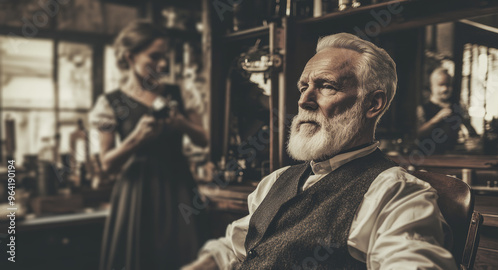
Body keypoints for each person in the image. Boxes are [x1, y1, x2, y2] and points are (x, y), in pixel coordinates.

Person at [182, 33, 457, 269]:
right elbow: (233, 249)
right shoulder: (275, 182)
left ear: (373, 104)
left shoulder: (395, 193)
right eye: (303, 87)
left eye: (326, 86)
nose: (304, 100)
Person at [89, 21, 208, 270]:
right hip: (136, 194)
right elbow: (107, 164)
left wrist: (181, 124)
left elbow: (204, 139)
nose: (163, 64)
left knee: (183, 258)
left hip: (179, 188)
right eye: (154, 56)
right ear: (130, 57)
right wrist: (136, 139)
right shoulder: (111, 103)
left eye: (164, 56)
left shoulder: (180, 93)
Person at [417, 67, 476, 154]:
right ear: (431, 86)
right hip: (428, 159)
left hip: (453, 158)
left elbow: (471, 132)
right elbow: (418, 134)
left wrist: (472, 143)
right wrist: (437, 118)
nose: (445, 89)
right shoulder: (423, 108)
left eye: (448, 85)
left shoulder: (458, 108)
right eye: (441, 85)